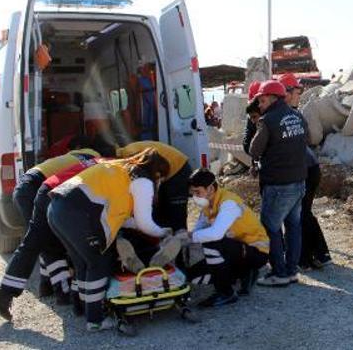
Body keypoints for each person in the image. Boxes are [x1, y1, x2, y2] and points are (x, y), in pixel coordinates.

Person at [46, 149, 171, 332]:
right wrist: (162, 232)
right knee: (99, 262)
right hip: (77, 214)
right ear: (157, 173)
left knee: (82, 262)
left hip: (57, 208)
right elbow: (145, 223)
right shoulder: (143, 181)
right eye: (161, 179)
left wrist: (138, 225)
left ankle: (81, 307)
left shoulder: (122, 168)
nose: (159, 183)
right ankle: (95, 320)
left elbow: (123, 215)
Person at [0, 156, 102, 321]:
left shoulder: (77, 155)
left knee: (43, 241)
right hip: (38, 189)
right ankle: (58, 292)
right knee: (37, 242)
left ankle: (47, 287)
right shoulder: (97, 159)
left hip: (27, 187)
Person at [248, 80, 308, 287]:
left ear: (272, 98)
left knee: (270, 228)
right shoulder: (298, 116)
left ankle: (279, 273)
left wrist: (258, 127)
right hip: (299, 182)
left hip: (278, 184)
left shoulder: (269, 120)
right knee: (293, 227)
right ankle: (291, 271)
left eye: (262, 100)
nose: (260, 105)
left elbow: (254, 150)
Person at [185, 169, 269, 307]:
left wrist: (189, 237)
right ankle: (243, 274)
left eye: (197, 192)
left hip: (257, 251)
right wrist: (186, 237)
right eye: (192, 193)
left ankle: (226, 293)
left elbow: (214, 234)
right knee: (193, 276)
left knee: (212, 244)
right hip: (236, 249)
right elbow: (198, 231)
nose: (195, 197)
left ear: (211, 188)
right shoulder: (209, 204)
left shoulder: (228, 203)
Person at [278, 74, 332, 269]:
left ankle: (309, 257)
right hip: (308, 168)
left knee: (299, 214)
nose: (300, 94)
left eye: (299, 91)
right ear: (285, 93)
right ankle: (317, 255)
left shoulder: (286, 115)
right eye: (297, 91)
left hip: (304, 170)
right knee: (303, 213)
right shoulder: (292, 114)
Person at [116, 141, 192, 232]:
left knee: (176, 208)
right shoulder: (129, 151)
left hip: (179, 168)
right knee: (160, 206)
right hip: (169, 166)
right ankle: (163, 233)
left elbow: (143, 176)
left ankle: (180, 236)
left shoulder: (130, 154)